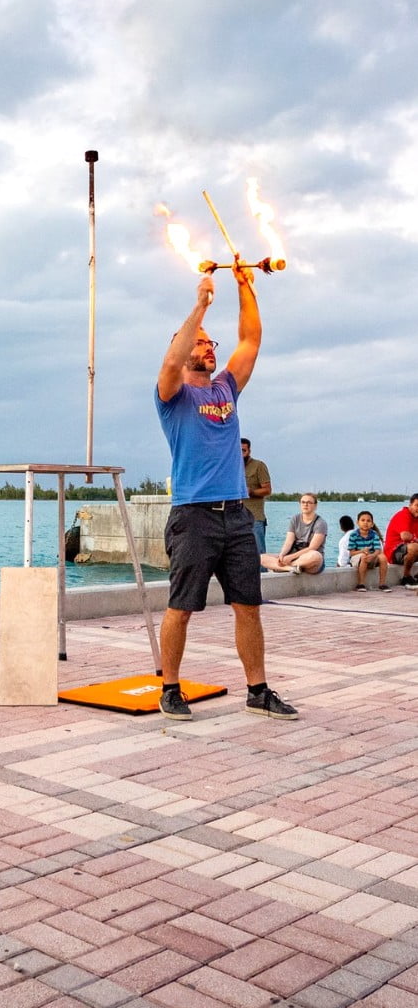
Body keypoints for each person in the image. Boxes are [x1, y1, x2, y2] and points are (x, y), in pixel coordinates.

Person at [154, 264, 298, 722]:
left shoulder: (226, 389)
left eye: (210, 342)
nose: (208, 348)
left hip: (236, 515)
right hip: (193, 516)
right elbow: (171, 361)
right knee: (181, 607)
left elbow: (251, 341)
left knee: (248, 607)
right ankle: (170, 688)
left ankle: (258, 690)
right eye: (200, 341)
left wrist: (243, 286)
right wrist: (199, 306)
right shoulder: (172, 395)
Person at [261, 494, 327, 574]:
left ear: (315, 506)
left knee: (316, 556)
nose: (305, 504)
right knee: (261, 557)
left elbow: (312, 548)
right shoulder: (295, 519)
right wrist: (282, 555)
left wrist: (289, 558)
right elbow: (288, 542)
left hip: (309, 560)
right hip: (293, 555)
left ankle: (286, 567)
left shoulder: (321, 523)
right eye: (303, 502)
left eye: (309, 502)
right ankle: (291, 568)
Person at [241, 437, 271, 553]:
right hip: (234, 518)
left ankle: (262, 572)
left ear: (249, 451)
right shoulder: (231, 468)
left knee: (259, 553)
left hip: (255, 518)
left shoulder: (258, 466)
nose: (241, 454)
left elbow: (267, 490)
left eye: (243, 450)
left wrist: (251, 492)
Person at [348, 510, 390, 591]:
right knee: (364, 556)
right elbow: (352, 553)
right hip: (357, 558)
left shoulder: (374, 534)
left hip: (371, 556)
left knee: (383, 557)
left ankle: (382, 584)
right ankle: (361, 584)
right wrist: (362, 551)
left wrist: (373, 555)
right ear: (357, 522)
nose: (365, 523)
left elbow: (378, 549)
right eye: (362, 520)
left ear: (372, 524)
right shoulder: (353, 535)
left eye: (368, 521)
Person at [383, 493, 418, 587]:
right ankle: (406, 577)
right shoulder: (404, 515)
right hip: (394, 552)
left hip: (408, 550)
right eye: (417, 505)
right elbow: (405, 536)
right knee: (415, 547)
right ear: (410, 505)